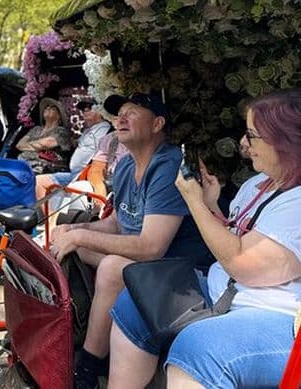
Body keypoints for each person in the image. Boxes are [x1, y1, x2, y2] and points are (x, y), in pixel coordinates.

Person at [108, 88, 301, 389]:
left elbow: (244, 264)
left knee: (198, 348)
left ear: (284, 140)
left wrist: (194, 202)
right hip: (223, 293)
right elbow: (237, 234)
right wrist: (211, 204)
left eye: (252, 135)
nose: (243, 144)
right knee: (138, 297)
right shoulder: (258, 184)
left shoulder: (298, 202)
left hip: (279, 317)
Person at [49, 92, 209, 389]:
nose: (120, 118)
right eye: (118, 113)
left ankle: (87, 367)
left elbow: (151, 247)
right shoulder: (125, 166)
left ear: (158, 123)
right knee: (72, 244)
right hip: (149, 268)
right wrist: (73, 232)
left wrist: (83, 235)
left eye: (132, 112)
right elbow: (117, 223)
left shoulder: (169, 165)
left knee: (110, 267)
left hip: (184, 274)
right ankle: (68, 335)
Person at [35, 99, 111, 200]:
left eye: (90, 107)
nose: (85, 110)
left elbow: (101, 157)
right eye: (83, 108)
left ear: (100, 110)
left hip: (86, 178)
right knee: (38, 181)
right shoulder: (88, 131)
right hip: (74, 175)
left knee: (42, 182)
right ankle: (46, 214)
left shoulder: (105, 129)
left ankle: (49, 214)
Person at [15, 97, 72, 174]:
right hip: (24, 165)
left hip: (46, 169)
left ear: (59, 117)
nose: (48, 108)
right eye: (46, 107)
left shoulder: (61, 131)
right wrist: (38, 147)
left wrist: (29, 145)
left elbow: (45, 144)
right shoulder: (36, 129)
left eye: (52, 108)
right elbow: (19, 145)